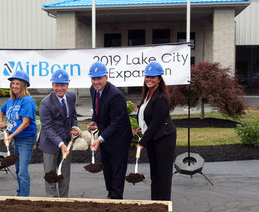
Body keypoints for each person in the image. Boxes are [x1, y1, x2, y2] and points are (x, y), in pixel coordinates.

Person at [87, 61, 133, 199]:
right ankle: (110, 195)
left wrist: (100, 139)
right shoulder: (93, 90)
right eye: (93, 78)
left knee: (117, 171)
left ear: (106, 78)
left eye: (99, 78)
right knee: (107, 169)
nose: (96, 82)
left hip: (119, 139)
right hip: (106, 137)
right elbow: (97, 109)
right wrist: (94, 120)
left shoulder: (116, 95)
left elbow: (116, 122)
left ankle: (116, 198)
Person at [136, 61, 177, 201]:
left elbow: (155, 123)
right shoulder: (147, 95)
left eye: (153, 77)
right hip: (154, 138)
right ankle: (155, 202)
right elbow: (146, 116)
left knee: (163, 174)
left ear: (159, 79)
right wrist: (141, 127)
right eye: (147, 76)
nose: (149, 79)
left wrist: (142, 143)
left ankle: (164, 205)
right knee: (155, 173)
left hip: (164, 139)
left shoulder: (161, 98)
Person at [39, 69, 80, 198]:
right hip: (50, 144)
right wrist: (61, 144)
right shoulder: (45, 103)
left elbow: (73, 114)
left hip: (67, 141)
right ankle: (53, 202)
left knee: (64, 175)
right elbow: (47, 128)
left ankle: (64, 201)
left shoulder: (72, 96)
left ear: (67, 85)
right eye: (57, 85)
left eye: (62, 85)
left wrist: (74, 126)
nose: (60, 88)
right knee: (51, 176)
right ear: (52, 85)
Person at [0, 70, 38, 197]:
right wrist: (1, 122)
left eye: (18, 84)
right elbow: (0, 111)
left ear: (24, 85)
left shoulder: (27, 100)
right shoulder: (11, 100)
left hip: (26, 139)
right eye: (13, 83)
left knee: (22, 170)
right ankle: (20, 193)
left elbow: (25, 123)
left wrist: (10, 136)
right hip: (17, 138)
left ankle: (24, 198)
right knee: (18, 168)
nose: (14, 86)